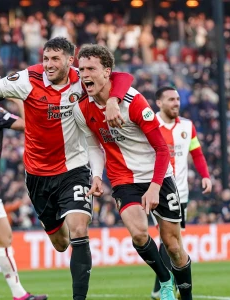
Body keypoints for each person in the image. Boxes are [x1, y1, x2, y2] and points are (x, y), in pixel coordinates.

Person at [0, 37, 133, 300]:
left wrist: (113, 100)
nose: (49, 65)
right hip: (37, 175)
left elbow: (122, 77)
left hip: (74, 169)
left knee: (79, 229)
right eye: (45, 59)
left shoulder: (82, 78)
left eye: (55, 59)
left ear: (70, 59)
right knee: (61, 243)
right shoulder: (27, 79)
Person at [74, 44, 193, 300]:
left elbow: (162, 149)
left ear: (107, 72)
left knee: (173, 246)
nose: (84, 74)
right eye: (81, 68)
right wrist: (96, 175)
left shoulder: (134, 101)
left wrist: (155, 186)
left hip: (158, 176)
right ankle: (165, 282)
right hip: (123, 180)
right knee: (139, 234)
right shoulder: (82, 108)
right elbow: (94, 146)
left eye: (91, 68)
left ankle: (187, 295)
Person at [0, 68, 47, 300]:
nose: (1, 83)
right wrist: (17, 97)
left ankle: (19, 295)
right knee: (4, 238)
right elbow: (29, 124)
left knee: (4, 237)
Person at [150, 86, 212, 299]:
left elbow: (197, 153)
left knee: (171, 239)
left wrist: (205, 175)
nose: (176, 103)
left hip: (180, 193)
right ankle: (164, 287)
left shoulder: (187, 126)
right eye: (170, 100)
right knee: (169, 239)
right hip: (155, 190)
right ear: (159, 103)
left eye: (177, 99)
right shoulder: (150, 124)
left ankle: (161, 287)